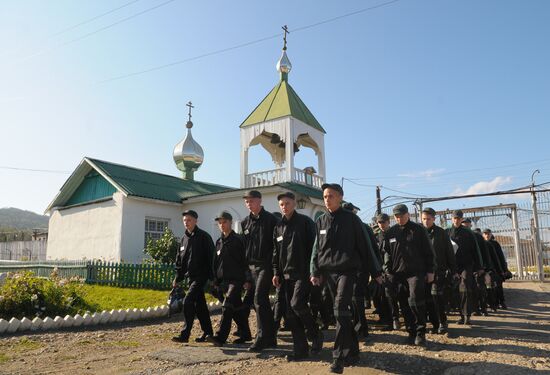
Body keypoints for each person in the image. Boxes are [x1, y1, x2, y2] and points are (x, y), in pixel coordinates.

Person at [310, 183, 382, 374]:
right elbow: (316, 250)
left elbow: (365, 246)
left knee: (341, 308)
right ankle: (353, 352)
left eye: (331, 196)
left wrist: (376, 272)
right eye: (325, 196)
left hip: (347, 272)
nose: (327, 199)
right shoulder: (320, 222)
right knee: (341, 314)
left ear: (340, 197)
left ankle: (338, 358)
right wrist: (314, 272)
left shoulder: (351, 220)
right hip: (328, 274)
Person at [272, 192, 323, 361]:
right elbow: (276, 253)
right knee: (290, 314)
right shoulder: (278, 227)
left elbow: (316, 249)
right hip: (286, 275)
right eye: (281, 204)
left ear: (294, 203)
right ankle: (300, 350)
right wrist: (276, 273)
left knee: (297, 303)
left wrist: (314, 271)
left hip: (303, 273)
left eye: (287, 203)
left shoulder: (305, 223)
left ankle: (314, 333)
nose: (284, 206)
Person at [383, 204, 435, 347]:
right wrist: (388, 271)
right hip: (398, 274)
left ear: (408, 215)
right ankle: (411, 331)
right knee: (403, 303)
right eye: (396, 216)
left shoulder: (418, 230)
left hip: (415, 273)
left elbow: (429, 252)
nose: (399, 218)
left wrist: (430, 271)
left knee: (415, 301)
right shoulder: (390, 233)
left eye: (402, 215)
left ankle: (420, 333)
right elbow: (386, 253)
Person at [241, 190, 279, 352]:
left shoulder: (271, 220)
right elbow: (245, 248)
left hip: (266, 265)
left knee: (259, 299)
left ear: (259, 201)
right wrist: (246, 274)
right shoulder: (245, 222)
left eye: (252, 201)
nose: (249, 204)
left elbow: (277, 245)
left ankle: (261, 337)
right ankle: (271, 338)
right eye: (247, 201)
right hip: (251, 266)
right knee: (259, 303)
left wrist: (275, 268)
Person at [206, 211, 252, 346]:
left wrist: (247, 279)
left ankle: (220, 337)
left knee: (227, 306)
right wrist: (215, 280)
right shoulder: (219, 242)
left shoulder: (238, 240)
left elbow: (245, 260)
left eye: (224, 222)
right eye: (219, 223)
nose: (222, 225)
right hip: (223, 281)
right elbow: (216, 263)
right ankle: (245, 333)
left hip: (236, 280)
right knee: (236, 308)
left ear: (231, 222)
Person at [172, 210, 215, 343]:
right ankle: (208, 333)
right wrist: (177, 278)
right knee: (200, 305)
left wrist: (213, 278)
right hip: (190, 278)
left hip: (201, 277)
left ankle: (185, 335)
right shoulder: (184, 240)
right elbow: (180, 261)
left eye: (189, 220)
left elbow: (212, 258)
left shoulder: (204, 237)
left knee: (188, 301)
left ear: (196, 221)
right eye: (184, 220)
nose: (186, 223)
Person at [342, 202, 382, 343]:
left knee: (356, 297)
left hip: (361, 268)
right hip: (346, 269)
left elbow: (372, 249)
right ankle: (358, 325)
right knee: (351, 298)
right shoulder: (341, 226)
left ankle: (361, 328)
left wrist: (376, 270)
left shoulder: (363, 227)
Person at [421, 207, 457, 334]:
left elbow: (449, 252)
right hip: (422, 272)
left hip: (438, 270)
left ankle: (443, 322)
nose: (426, 221)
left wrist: (453, 270)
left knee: (436, 296)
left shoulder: (441, 233)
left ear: (433, 219)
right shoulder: (418, 232)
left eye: (428, 219)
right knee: (426, 299)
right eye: (424, 219)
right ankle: (434, 324)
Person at [446, 210, 483, 325]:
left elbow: (475, 251)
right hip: (452, 266)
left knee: (464, 287)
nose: (456, 220)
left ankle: (467, 315)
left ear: (461, 219)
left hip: (466, 265)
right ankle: (461, 315)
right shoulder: (446, 232)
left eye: (458, 218)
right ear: (451, 219)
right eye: (454, 218)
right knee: (455, 291)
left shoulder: (468, 233)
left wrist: (479, 266)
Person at [375, 213, 399, 331]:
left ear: (388, 222)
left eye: (383, 222)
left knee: (391, 295)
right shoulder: (377, 235)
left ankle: (395, 319)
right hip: (381, 270)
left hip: (393, 269)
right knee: (381, 296)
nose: (381, 225)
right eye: (379, 222)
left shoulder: (394, 233)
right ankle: (385, 318)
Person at [483, 229, 509, 309]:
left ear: (491, 235)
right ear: (483, 235)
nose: (487, 235)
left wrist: (503, 269)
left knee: (498, 286)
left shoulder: (495, 244)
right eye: (485, 234)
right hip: (486, 269)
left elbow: (500, 256)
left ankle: (501, 301)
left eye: (488, 234)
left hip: (496, 268)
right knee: (489, 287)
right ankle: (493, 303)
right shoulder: (481, 244)